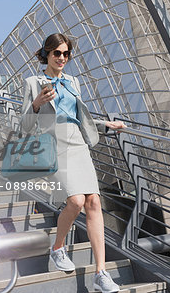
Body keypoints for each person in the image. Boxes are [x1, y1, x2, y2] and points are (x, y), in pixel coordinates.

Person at [20, 33, 125, 293]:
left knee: (93, 202)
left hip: (77, 142)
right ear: (47, 54)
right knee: (76, 201)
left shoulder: (72, 81)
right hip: (54, 143)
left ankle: (101, 273)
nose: (63, 58)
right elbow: (24, 127)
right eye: (57, 53)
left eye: (66, 54)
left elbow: (78, 115)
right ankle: (58, 247)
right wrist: (36, 104)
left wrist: (106, 124)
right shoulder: (33, 83)